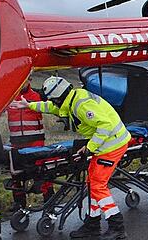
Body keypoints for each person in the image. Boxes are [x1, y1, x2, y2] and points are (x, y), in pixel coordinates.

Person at [12, 76, 131, 239]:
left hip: (112, 144)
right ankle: (93, 224)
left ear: (59, 97)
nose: (54, 103)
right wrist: (29, 105)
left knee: (97, 185)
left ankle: (117, 227)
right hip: (105, 144)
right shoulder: (70, 100)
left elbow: (106, 126)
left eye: (54, 100)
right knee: (92, 184)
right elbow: (50, 107)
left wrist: (89, 148)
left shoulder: (81, 105)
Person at [7, 80, 54, 211]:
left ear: (30, 80)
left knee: (42, 171)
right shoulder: (8, 97)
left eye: (25, 79)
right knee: (16, 173)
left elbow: (52, 106)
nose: (22, 82)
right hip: (16, 142)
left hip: (36, 142)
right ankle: (19, 203)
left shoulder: (38, 96)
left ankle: (49, 200)